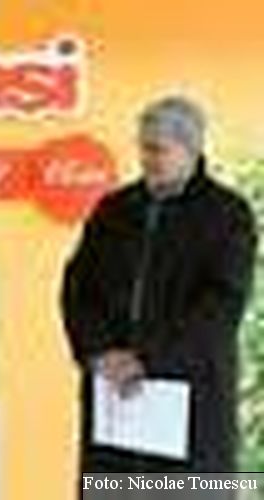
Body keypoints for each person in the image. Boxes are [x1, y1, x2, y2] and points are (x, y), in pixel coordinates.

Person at [62, 96, 258, 473]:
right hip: (115, 396)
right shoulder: (113, 210)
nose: (146, 159)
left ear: (190, 149)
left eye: (158, 149)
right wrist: (99, 351)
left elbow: (221, 305)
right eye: (143, 147)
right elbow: (78, 287)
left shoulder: (227, 215)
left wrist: (148, 359)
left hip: (188, 396)